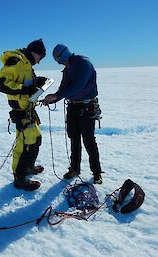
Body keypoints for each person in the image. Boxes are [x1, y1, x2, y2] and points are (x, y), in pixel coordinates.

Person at [43, 44, 103, 184]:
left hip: (87, 107)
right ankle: (75, 168)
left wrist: (57, 95)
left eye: (58, 59)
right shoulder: (68, 69)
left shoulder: (83, 64)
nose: (58, 62)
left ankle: (97, 172)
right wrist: (52, 99)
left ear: (62, 55)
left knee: (89, 141)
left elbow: (77, 86)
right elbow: (64, 89)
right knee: (74, 139)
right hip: (73, 108)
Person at [0, 39, 48, 191]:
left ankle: (28, 168)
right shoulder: (16, 61)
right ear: (34, 52)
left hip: (29, 109)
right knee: (24, 145)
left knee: (35, 140)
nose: (39, 62)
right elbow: (2, 83)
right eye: (41, 57)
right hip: (20, 111)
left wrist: (38, 81)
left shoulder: (26, 64)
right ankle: (20, 178)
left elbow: (26, 83)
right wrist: (26, 90)